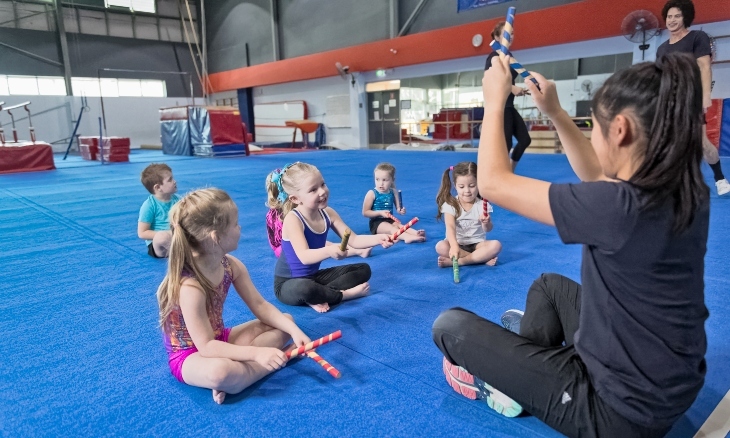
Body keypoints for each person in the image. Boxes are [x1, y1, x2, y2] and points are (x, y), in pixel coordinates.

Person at [433, 52, 709, 437]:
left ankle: (505, 383)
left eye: (592, 126)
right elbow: (596, 172)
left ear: (621, 131)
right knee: (548, 286)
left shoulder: (618, 208)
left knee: (450, 327)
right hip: (667, 386)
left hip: (616, 414)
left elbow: (493, 183)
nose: (590, 135)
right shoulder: (684, 187)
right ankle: (528, 363)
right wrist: (557, 113)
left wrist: (495, 102)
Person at [157, 188, 310, 405]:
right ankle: (268, 364)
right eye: (235, 224)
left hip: (220, 338)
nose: (240, 227)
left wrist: (295, 331)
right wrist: (259, 355)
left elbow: (259, 305)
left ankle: (242, 376)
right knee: (221, 372)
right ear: (215, 237)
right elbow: (207, 347)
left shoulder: (230, 265)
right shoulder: (190, 287)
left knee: (286, 321)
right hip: (191, 355)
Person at [268, 162, 393, 313]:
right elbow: (304, 257)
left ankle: (319, 295)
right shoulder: (293, 219)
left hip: (313, 277)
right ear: (295, 199)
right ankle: (342, 295)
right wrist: (329, 250)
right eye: (313, 190)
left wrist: (379, 238)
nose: (322, 192)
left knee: (363, 269)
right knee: (305, 288)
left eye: (323, 184)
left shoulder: (328, 213)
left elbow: (354, 240)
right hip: (288, 284)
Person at [656, 0, 730, 196]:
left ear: (685, 17)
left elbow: (704, 66)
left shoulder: (697, 37)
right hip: (668, 101)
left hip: (691, 97)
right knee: (668, 142)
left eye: (677, 16)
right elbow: (660, 76)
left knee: (702, 143)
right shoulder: (662, 48)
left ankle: (720, 179)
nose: (672, 20)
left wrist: (706, 96)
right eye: (669, 16)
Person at [266, 169, 372, 258]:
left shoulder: (298, 207)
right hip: (286, 250)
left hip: (298, 244)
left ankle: (356, 249)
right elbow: (275, 241)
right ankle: (357, 251)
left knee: (324, 244)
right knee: (325, 245)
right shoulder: (288, 215)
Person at [434, 162, 500, 268]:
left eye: (472, 186)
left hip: (477, 244)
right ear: (455, 186)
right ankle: (480, 259)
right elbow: (450, 227)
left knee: (496, 245)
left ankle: (460, 262)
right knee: (440, 246)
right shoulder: (450, 204)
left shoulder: (482, 205)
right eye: (461, 187)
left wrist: (486, 223)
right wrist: (454, 246)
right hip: (457, 243)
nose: (467, 191)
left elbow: (488, 229)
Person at [485, 21, 532, 171]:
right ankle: (499, 175)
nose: (510, 36)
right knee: (506, 144)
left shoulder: (509, 57)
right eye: (506, 33)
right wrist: (511, 88)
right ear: (498, 37)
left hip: (509, 106)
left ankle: (510, 171)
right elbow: (492, 79)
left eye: (511, 33)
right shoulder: (494, 57)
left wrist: (519, 89)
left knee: (525, 140)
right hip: (500, 107)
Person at [361, 162, 425, 243]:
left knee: (399, 225)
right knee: (391, 228)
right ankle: (407, 237)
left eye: (385, 180)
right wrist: (380, 213)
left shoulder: (393, 192)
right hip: (376, 223)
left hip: (390, 219)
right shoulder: (372, 193)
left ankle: (415, 233)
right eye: (377, 179)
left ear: (392, 180)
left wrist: (401, 210)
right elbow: (365, 212)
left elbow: (398, 208)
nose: (381, 183)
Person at [138, 163, 180, 258]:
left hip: (177, 238)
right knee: (162, 237)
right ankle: (182, 252)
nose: (174, 181)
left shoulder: (178, 200)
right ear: (157, 188)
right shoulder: (149, 205)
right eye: (170, 180)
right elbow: (142, 233)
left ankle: (181, 250)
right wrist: (170, 233)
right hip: (158, 245)